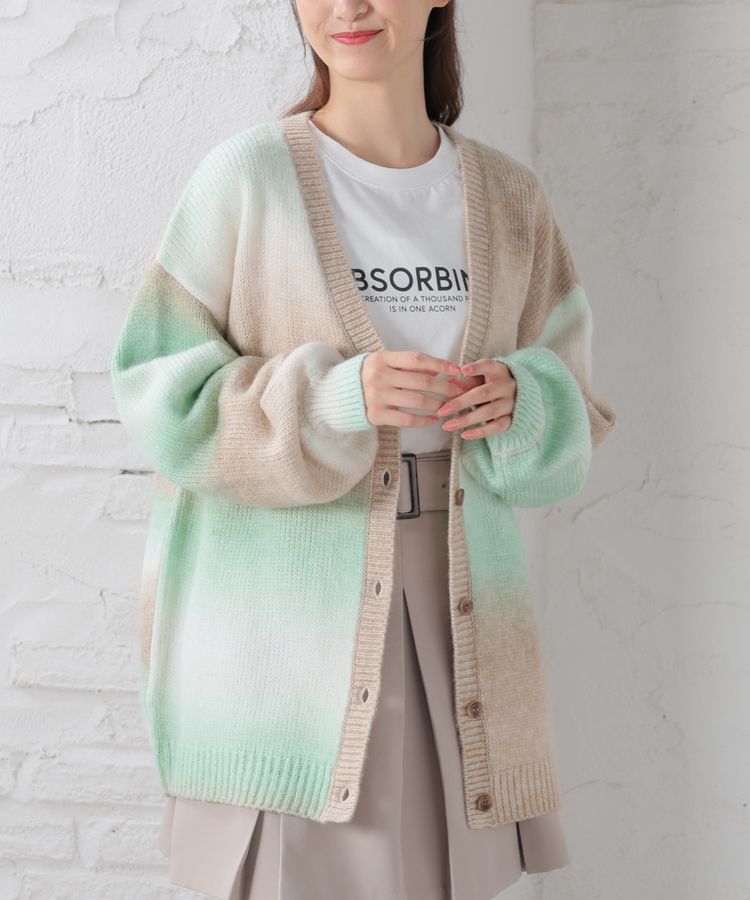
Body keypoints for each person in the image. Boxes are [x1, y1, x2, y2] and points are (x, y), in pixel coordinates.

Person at [110, 1, 617, 897]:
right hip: (283, 637)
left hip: (460, 609)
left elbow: (578, 405)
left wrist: (524, 400)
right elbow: (159, 394)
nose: (347, 6)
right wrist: (334, 401)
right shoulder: (247, 179)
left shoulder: (510, 198)